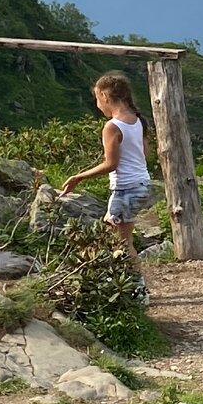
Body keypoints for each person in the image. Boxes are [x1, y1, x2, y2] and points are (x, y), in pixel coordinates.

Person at [61, 72, 153, 275]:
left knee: (122, 243)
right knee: (111, 230)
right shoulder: (138, 120)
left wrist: (78, 177)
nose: (97, 105)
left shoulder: (112, 126)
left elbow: (111, 164)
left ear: (104, 95)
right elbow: (145, 154)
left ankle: (137, 289)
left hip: (125, 189)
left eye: (97, 99)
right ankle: (119, 281)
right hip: (142, 186)